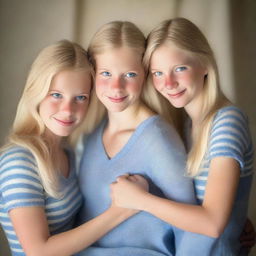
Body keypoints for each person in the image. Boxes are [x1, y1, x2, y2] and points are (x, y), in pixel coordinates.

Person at [111, 17, 254, 255]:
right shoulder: (186, 124)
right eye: (157, 73)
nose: (168, 83)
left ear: (205, 64)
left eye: (180, 69)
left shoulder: (227, 121)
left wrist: (140, 200)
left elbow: (213, 223)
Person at [0, 40, 138, 256]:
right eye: (56, 95)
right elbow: (38, 251)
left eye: (80, 98)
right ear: (36, 92)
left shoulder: (67, 152)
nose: (68, 110)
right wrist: (120, 212)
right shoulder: (19, 161)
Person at [76, 21, 198, 256]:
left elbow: (192, 229)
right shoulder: (93, 132)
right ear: (92, 74)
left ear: (145, 76)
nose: (116, 87)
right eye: (106, 73)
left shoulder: (157, 139)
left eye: (129, 74)